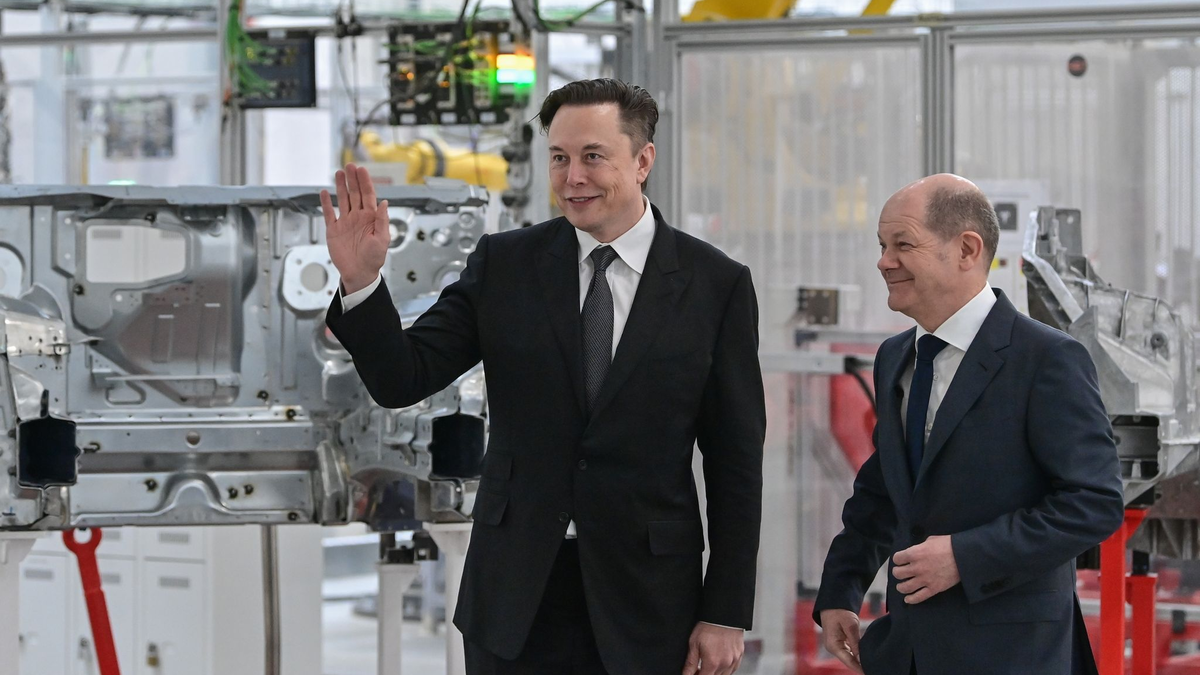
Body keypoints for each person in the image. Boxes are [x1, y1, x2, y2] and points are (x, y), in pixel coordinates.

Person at [320, 78, 765, 675]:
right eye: (558, 157)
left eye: (592, 157)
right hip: (516, 598)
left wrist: (727, 610)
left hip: (649, 601)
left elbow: (737, 463)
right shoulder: (505, 265)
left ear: (642, 161)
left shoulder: (716, 286)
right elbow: (404, 378)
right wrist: (362, 284)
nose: (572, 176)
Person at [814, 174, 1124, 675]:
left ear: (967, 249)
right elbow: (882, 489)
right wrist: (839, 590)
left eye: (903, 244)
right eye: (882, 245)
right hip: (906, 651)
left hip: (1012, 655)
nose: (883, 261)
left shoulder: (1046, 360)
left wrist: (966, 556)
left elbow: (1094, 503)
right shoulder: (895, 357)